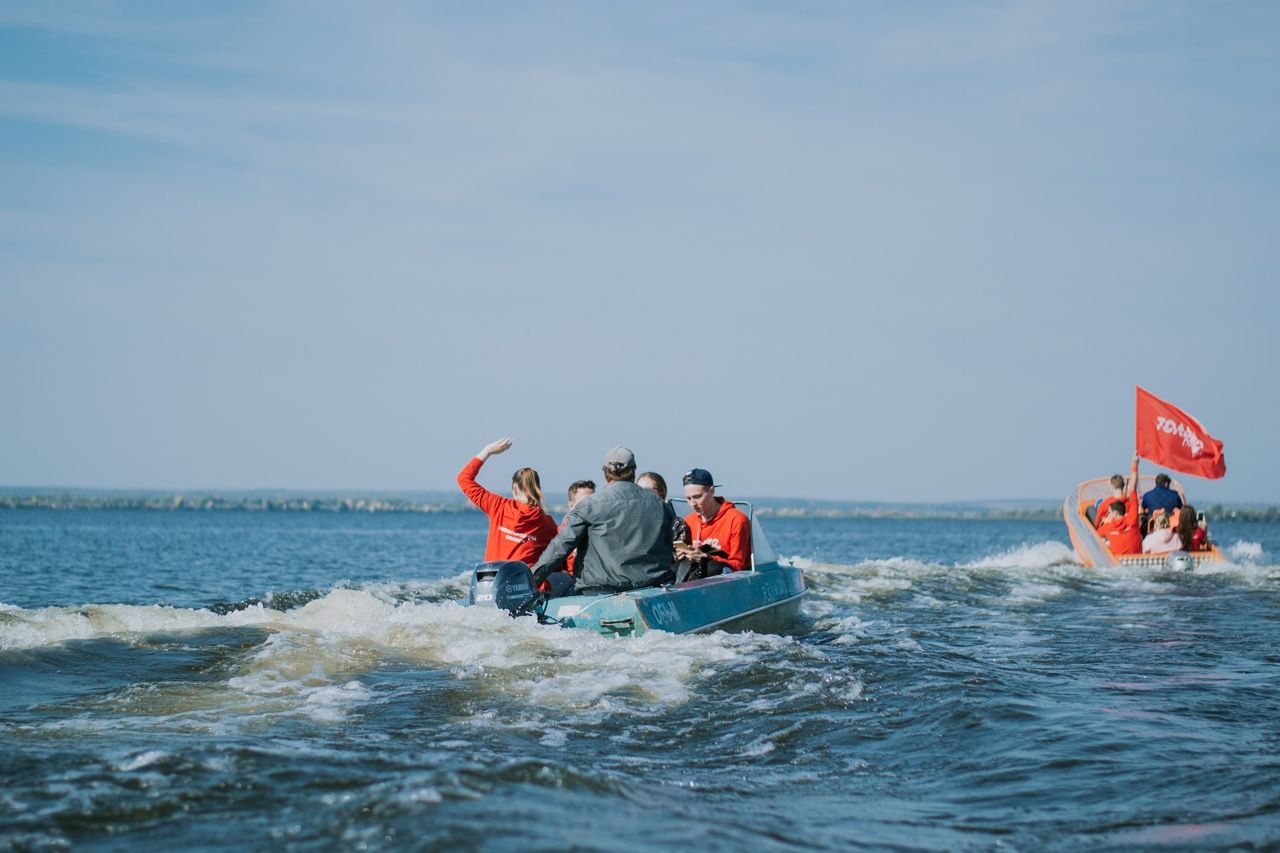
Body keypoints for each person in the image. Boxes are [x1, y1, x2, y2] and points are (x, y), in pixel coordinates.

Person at [530, 448, 676, 595]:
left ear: (605, 473)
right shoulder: (661, 505)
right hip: (652, 590)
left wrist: (531, 580)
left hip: (599, 593)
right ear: (633, 472)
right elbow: (667, 551)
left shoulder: (589, 505)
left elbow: (560, 547)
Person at [456, 437, 559, 566]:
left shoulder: (497, 505)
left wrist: (487, 451)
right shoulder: (546, 522)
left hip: (492, 575)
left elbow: (463, 478)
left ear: (515, 489)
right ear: (537, 488)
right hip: (523, 576)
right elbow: (561, 549)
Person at [677, 468, 751, 578]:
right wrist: (679, 555)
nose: (693, 504)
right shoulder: (688, 521)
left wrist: (706, 558)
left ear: (712, 491)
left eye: (697, 497)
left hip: (728, 577)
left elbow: (738, 565)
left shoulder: (737, 520)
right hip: (696, 577)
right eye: (688, 498)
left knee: (712, 566)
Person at [561, 479, 595, 576]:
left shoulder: (603, 530)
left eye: (594, 502)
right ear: (571, 505)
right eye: (584, 503)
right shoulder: (559, 534)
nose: (590, 507)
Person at [1096, 490, 1142, 556]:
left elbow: (1095, 535)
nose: (1108, 515)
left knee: (1103, 541)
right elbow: (1134, 501)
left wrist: (1105, 522)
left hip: (1116, 559)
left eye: (1109, 512)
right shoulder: (1133, 519)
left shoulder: (1106, 527)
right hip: (1136, 558)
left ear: (1115, 513)